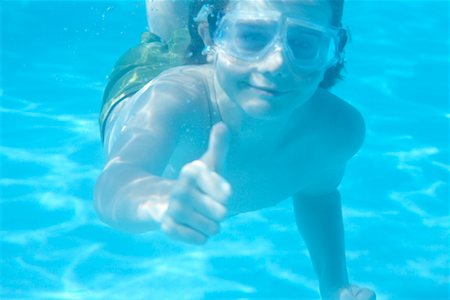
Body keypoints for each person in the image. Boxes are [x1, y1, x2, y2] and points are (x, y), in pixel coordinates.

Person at [94, 0, 376, 299]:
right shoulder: (170, 101)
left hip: (223, 65)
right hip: (144, 79)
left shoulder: (336, 131)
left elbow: (318, 195)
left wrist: (333, 284)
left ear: (334, 51)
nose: (277, 63)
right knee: (165, 37)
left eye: (304, 42)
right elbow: (115, 184)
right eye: (253, 36)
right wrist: (162, 199)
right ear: (210, 35)